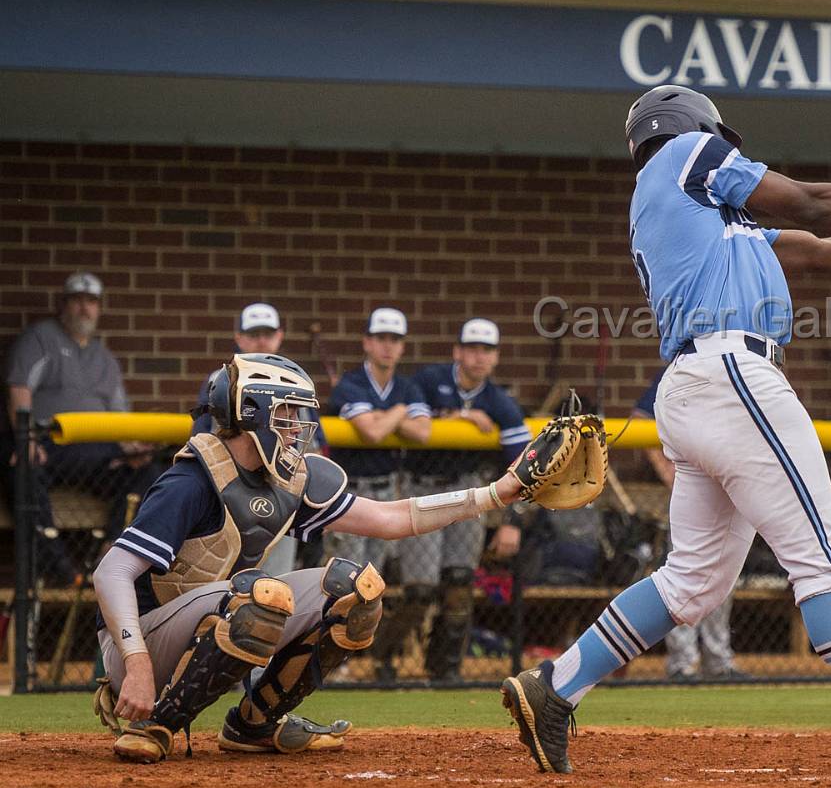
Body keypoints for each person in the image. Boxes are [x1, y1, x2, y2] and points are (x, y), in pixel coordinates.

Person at [499, 85, 831, 775]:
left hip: (698, 390)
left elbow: (819, 250)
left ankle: (556, 686)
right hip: (731, 375)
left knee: (693, 583)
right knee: (822, 555)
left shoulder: (715, 226)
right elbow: (811, 201)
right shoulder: (683, 157)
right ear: (692, 128)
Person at [93, 352, 530, 763]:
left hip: (213, 615)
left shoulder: (285, 478)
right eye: (286, 413)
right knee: (259, 597)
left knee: (355, 590)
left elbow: (393, 518)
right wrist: (136, 666)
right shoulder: (192, 480)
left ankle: (254, 724)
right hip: (138, 647)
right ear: (252, 413)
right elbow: (111, 572)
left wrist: (495, 494)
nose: (297, 425)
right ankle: (155, 725)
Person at [6, 272, 154, 584]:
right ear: (63, 305)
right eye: (77, 300)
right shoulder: (41, 337)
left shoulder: (105, 359)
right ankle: (63, 572)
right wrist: (26, 439)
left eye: (91, 302)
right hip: (50, 445)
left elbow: (120, 417)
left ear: (99, 308)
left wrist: (132, 448)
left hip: (98, 455)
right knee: (24, 470)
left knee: (149, 472)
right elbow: (19, 389)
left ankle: (110, 553)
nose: (84, 309)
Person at [405, 318, 531, 682]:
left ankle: (446, 670)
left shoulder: (499, 401)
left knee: (459, 583)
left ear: (495, 358)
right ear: (457, 351)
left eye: (487, 350)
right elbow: (413, 421)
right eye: (472, 348)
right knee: (420, 591)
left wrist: (512, 522)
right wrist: (463, 417)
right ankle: (386, 663)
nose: (478, 357)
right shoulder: (428, 381)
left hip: (468, 490)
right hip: (422, 485)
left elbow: (524, 463)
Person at [327, 307, 432, 680]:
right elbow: (370, 433)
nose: (388, 347)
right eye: (381, 339)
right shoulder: (351, 384)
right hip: (349, 493)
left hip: (387, 492)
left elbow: (422, 433)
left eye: (395, 340)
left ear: (401, 347)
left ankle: (356, 658)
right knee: (345, 580)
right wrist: (401, 414)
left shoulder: (406, 387)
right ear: (367, 342)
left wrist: (387, 414)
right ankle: (331, 659)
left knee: (374, 580)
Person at [634, 367, 746, 682]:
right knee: (684, 574)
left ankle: (718, 661)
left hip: (725, 486)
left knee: (724, 577)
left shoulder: (739, 372)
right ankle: (682, 663)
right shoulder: (680, 370)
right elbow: (640, 419)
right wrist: (665, 468)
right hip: (689, 487)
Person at [192, 303, 307, 577]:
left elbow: (313, 444)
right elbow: (201, 438)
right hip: (234, 488)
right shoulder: (221, 381)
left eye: (267, 333)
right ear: (239, 337)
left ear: (279, 336)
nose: (261, 341)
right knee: (229, 582)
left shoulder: (296, 381)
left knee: (278, 584)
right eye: (254, 333)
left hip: (281, 488)